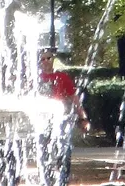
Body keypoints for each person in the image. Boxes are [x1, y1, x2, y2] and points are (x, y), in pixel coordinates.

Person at [37, 49, 89, 186]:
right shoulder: (35, 79)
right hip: (42, 120)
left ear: (53, 59)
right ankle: (46, 180)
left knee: (65, 149)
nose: (46, 61)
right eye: (43, 59)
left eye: (48, 58)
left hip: (61, 118)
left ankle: (63, 180)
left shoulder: (62, 77)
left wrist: (83, 117)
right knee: (44, 151)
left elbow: (74, 98)